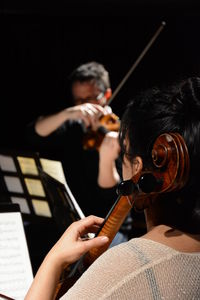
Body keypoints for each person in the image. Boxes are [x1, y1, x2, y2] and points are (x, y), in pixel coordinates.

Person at [25, 77, 200, 299]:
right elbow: (34, 132)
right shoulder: (74, 128)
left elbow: (107, 191)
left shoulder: (123, 268)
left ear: (137, 166)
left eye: (125, 149)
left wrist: (54, 259)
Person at [26, 61, 132, 243]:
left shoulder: (120, 133)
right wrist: (68, 113)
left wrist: (106, 159)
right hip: (72, 220)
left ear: (106, 95)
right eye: (78, 101)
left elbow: (111, 195)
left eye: (90, 99)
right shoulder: (72, 125)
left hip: (108, 224)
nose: (84, 106)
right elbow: (33, 134)